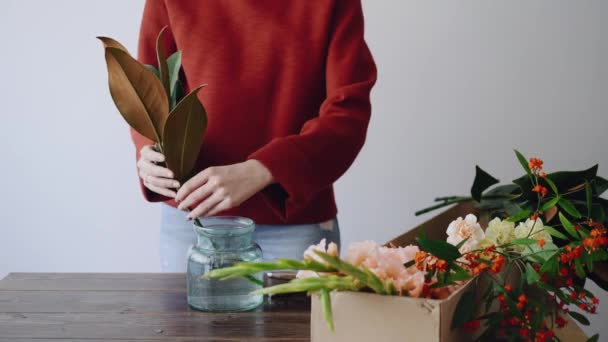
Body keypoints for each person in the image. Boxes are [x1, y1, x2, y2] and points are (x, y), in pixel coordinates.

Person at [133, 0, 376, 272]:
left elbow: (347, 114)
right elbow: (147, 88)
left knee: (294, 316)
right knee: (185, 316)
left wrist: (264, 169)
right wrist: (150, 151)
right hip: (193, 218)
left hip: (292, 222)